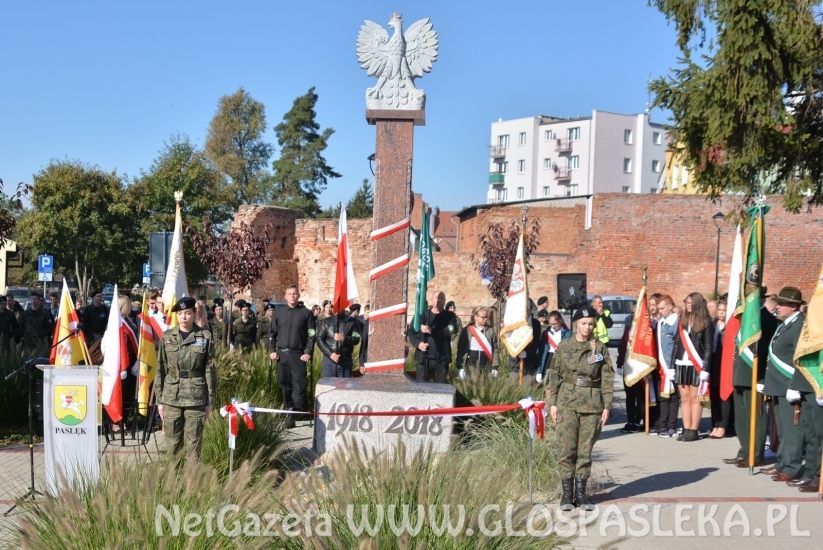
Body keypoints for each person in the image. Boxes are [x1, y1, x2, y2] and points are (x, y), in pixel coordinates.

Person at [547, 306, 614, 512]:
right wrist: (553, 404)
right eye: (584, 323)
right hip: (567, 402)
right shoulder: (564, 346)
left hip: (592, 404)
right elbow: (555, 375)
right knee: (567, 450)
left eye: (591, 324)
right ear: (576, 323)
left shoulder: (600, 348)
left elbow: (607, 378)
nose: (587, 327)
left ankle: (582, 494)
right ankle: (567, 496)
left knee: (585, 451)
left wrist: (607, 406)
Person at [156, 296, 216, 458]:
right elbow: (160, 369)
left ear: (194, 313)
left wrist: (210, 402)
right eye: (180, 313)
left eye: (188, 313)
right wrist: (159, 401)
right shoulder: (167, 337)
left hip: (195, 397)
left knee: (193, 445)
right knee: (172, 445)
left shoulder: (204, 336)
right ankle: (173, 481)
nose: (184, 317)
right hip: (171, 397)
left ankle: (191, 481)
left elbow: (209, 370)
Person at [725, 288, 778, 468]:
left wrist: (763, 379)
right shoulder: (747, 319)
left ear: (760, 300)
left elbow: (766, 350)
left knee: (755, 417)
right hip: (741, 373)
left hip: (755, 375)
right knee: (741, 418)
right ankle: (745, 451)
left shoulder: (768, 320)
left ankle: (756, 454)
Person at [760, 287, 806, 482]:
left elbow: (799, 358)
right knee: (781, 429)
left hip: (789, 385)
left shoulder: (799, 326)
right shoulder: (785, 324)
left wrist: (796, 384)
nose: (777, 307)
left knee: (792, 429)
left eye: (782, 304)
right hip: (778, 385)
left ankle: (792, 467)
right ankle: (782, 463)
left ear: (793, 306)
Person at [268, 285, 316, 428]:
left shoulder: (306, 313)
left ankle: (295, 410)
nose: (292, 296)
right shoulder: (279, 313)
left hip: (298, 355)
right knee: (285, 385)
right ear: (285, 296)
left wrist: (308, 352)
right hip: (282, 355)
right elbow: (271, 333)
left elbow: (312, 334)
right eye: (289, 294)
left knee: (299, 386)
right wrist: (272, 350)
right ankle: (289, 411)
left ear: (298, 295)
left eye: (295, 294)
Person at [672, 292, 713, 442]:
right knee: (685, 398)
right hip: (681, 363)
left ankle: (694, 430)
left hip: (697, 364)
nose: (688, 305)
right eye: (686, 302)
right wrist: (671, 366)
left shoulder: (706, 322)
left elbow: (708, 347)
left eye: (691, 303)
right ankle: (686, 428)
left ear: (697, 304)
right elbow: (676, 344)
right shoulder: (682, 320)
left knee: (696, 398)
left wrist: (706, 369)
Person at [407, 290, 458, 383]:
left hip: (441, 359)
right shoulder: (422, 315)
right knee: (422, 389)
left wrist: (432, 331)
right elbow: (411, 332)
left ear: (445, 301)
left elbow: (450, 330)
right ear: (432, 300)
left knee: (440, 389)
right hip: (423, 358)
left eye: (442, 298)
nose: (439, 300)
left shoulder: (450, 316)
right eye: (436, 298)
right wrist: (418, 344)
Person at [654, 295, 681, 437]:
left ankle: (672, 425)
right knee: (663, 396)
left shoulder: (677, 322)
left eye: (662, 308)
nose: (660, 311)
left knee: (674, 396)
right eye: (658, 309)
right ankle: (662, 424)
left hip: (672, 365)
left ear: (670, 306)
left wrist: (673, 366)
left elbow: (678, 345)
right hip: (662, 366)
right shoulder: (661, 323)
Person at [709, 301, 732, 439]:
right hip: (713, 363)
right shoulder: (713, 326)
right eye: (720, 310)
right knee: (714, 395)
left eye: (724, 310)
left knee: (724, 395)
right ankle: (715, 423)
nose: (721, 312)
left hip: (724, 363)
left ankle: (723, 425)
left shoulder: (730, 327)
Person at [316, 307, 360, 378]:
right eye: (333, 306)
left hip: (345, 361)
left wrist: (344, 339)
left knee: (344, 387)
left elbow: (356, 338)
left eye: (338, 306)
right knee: (328, 386)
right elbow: (319, 339)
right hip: (329, 361)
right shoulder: (326, 321)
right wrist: (330, 354)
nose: (336, 308)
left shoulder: (352, 321)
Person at [455, 307, 498, 376]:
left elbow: (495, 349)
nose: (485, 319)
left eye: (486, 317)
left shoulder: (490, 331)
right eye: (483, 317)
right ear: (475, 317)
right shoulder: (467, 331)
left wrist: (495, 367)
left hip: (486, 363)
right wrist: (460, 366)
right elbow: (461, 349)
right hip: (470, 363)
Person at [536, 311, 571, 385]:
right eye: (551, 324)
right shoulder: (546, 333)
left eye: (555, 324)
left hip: (561, 359)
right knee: (547, 383)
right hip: (548, 359)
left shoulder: (568, 333)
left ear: (560, 321)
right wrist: (539, 371)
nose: (553, 326)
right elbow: (541, 353)